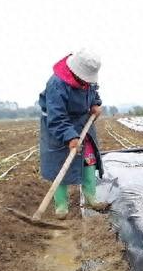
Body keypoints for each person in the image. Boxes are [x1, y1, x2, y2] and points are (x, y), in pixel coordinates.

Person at [38, 49, 107, 219]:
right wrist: (70, 136)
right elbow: (57, 116)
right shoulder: (57, 84)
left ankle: (92, 198)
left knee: (88, 161)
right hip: (59, 127)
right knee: (60, 166)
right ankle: (61, 206)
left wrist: (95, 105)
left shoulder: (87, 82)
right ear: (75, 72)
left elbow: (94, 96)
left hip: (83, 124)